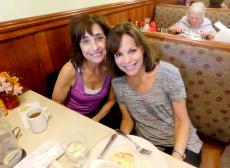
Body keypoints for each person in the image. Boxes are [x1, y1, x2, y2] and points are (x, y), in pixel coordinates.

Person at [106, 22, 203, 167]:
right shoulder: (118, 82)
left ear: (143, 49)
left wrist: (176, 156)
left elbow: (182, 121)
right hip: (146, 143)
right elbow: (127, 119)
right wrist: (119, 142)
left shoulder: (169, 74)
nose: (126, 60)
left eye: (132, 51)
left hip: (182, 142)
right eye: (119, 54)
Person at [52, 14, 115, 122]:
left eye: (99, 38)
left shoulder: (112, 66)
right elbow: (56, 105)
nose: (95, 47)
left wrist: (95, 120)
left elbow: (111, 101)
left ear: (107, 39)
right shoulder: (70, 70)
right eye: (86, 41)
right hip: (70, 120)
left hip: (96, 119)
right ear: (78, 46)